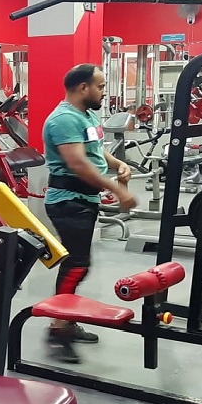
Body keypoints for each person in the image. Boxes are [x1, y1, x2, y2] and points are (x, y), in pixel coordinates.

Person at [42, 64, 137, 364]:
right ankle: (59, 327)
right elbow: (78, 164)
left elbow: (94, 151)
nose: (104, 91)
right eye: (100, 86)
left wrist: (118, 164)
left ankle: (64, 320)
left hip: (83, 199)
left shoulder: (87, 115)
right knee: (76, 265)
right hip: (68, 201)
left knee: (78, 263)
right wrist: (118, 190)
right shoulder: (63, 120)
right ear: (83, 87)